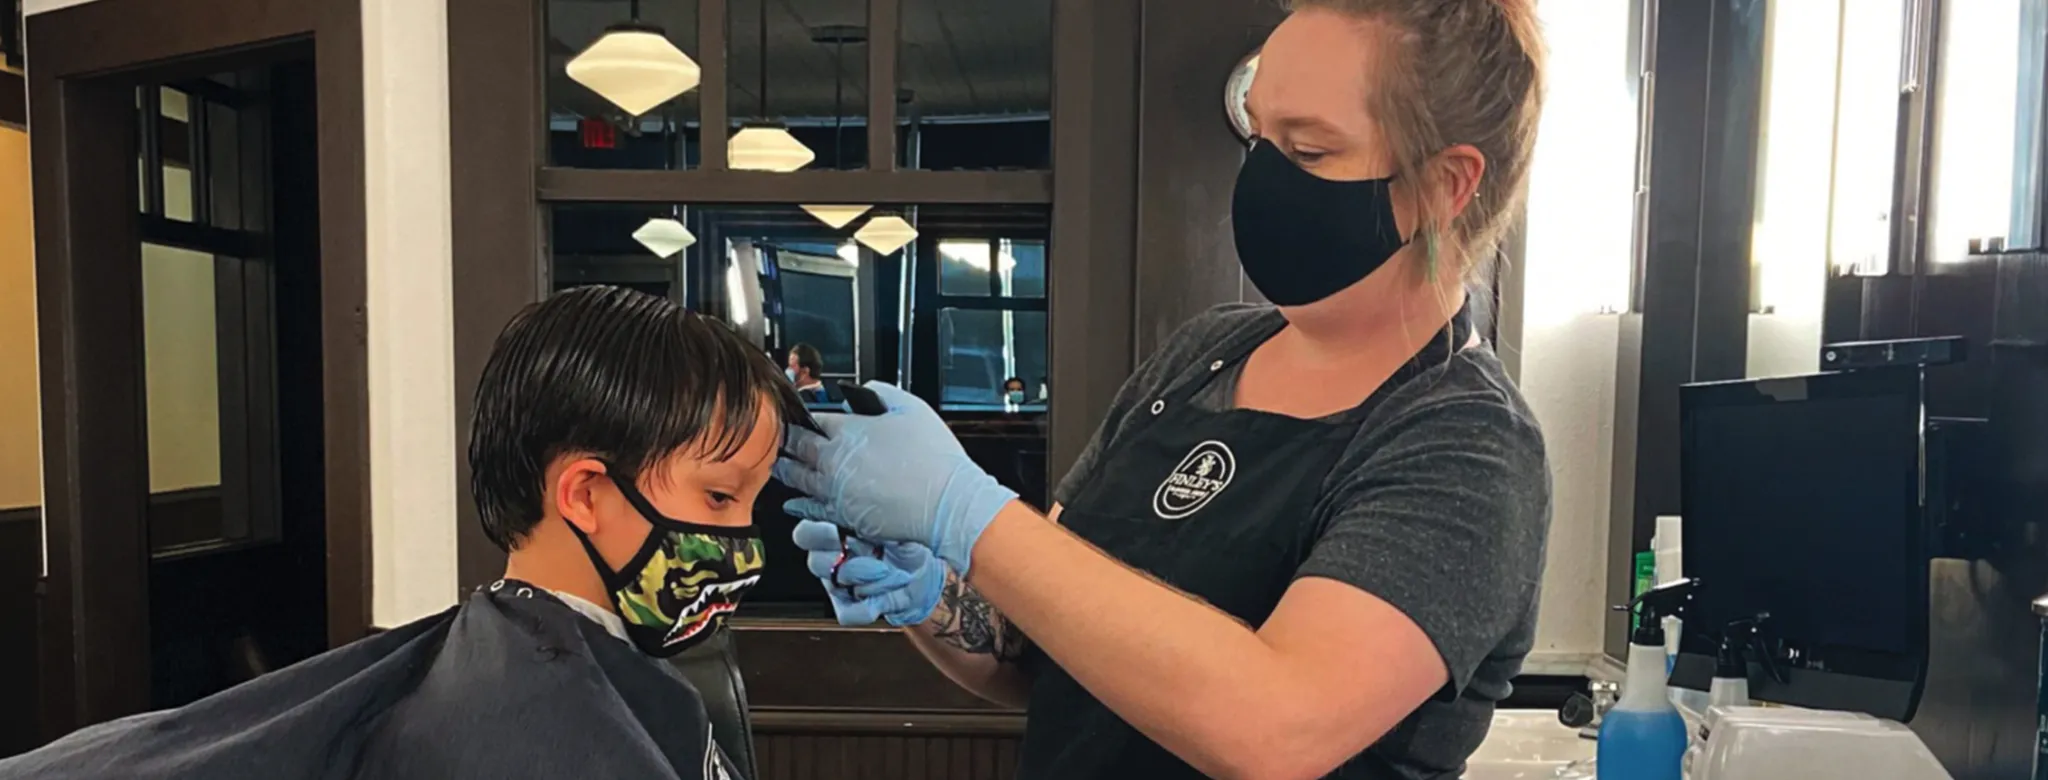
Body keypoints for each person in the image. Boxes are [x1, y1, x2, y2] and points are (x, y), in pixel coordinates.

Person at [775, 2, 1551, 778]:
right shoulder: (1202, 356)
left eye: (1307, 151)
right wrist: (929, 582)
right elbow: (1039, 650)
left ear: (1447, 184)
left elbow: (1280, 727)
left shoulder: (1466, 447)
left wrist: (968, 515)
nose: (1263, 177)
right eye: (1259, 137)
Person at [0, 286, 812, 779]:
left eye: (751, 504)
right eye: (717, 499)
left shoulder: (566, 665)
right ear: (587, 494)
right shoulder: (529, 718)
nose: (745, 539)